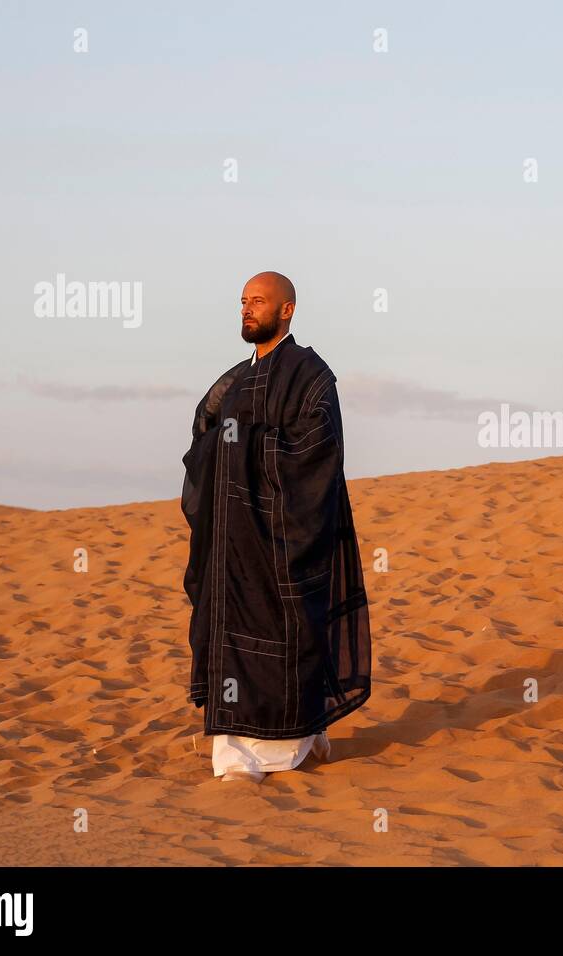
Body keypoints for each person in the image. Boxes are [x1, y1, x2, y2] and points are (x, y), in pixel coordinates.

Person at [181, 271, 371, 781]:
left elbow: (318, 449)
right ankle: (235, 756)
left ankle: (295, 742)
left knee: (288, 638)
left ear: (286, 310)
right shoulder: (232, 381)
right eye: (243, 301)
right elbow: (202, 437)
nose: (247, 310)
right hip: (230, 545)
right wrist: (222, 446)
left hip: (282, 543)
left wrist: (246, 444)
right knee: (229, 641)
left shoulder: (312, 376)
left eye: (258, 301)